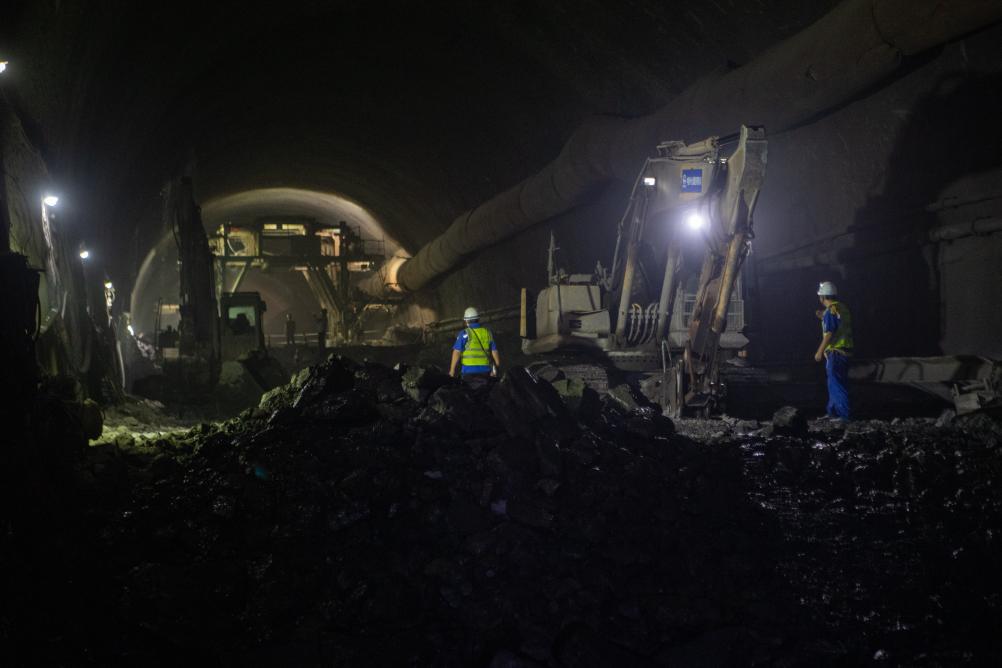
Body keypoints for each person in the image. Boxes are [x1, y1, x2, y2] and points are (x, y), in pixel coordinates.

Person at [814, 281, 853, 421]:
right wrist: (823, 316)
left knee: (836, 384)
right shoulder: (841, 308)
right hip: (844, 351)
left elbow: (830, 332)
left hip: (836, 352)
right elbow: (838, 321)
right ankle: (833, 412)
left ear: (822, 297)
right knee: (834, 383)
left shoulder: (830, 310)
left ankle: (844, 415)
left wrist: (819, 351)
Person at [449, 306, 500, 390]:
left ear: (466, 321)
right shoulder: (487, 333)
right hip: (485, 372)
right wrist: (497, 368)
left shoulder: (464, 333)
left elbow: (456, 352)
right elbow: (494, 351)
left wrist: (452, 371)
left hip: (468, 374)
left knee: (470, 398)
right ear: (478, 319)